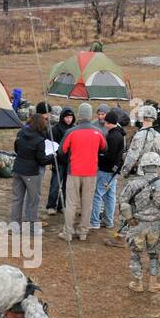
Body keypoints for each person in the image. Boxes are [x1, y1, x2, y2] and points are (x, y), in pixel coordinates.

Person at [119, 152, 160, 293]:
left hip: (137, 224)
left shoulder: (133, 184)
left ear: (143, 166)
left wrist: (128, 219)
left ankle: (137, 282)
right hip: (156, 225)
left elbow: (123, 203)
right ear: (158, 165)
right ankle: (153, 283)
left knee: (136, 254)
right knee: (155, 254)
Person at [60, 103, 107, 242]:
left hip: (74, 171)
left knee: (71, 203)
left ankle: (68, 232)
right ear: (90, 115)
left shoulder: (71, 132)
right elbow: (104, 148)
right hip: (91, 172)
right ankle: (83, 232)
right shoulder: (98, 132)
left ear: (79, 115)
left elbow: (61, 151)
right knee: (87, 202)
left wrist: (69, 158)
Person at [11, 106, 49, 236]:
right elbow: (42, 160)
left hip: (17, 169)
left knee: (17, 199)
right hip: (31, 173)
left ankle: (14, 227)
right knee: (33, 200)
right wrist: (53, 157)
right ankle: (32, 228)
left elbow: (16, 148)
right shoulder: (40, 140)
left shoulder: (21, 133)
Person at [90, 110, 125, 233]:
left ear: (109, 123)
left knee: (97, 195)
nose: (104, 124)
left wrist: (98, 156)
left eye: (106, 122)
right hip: (113, 171)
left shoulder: (112, 137)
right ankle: (108, 220)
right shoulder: (120, 134)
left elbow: (109, 156)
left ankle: (94, 222)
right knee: (110, 196)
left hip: (106, 170)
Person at [45, 107, 75, 216]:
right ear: (62, 117)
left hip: (70, 163)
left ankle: (62, 206)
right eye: (66, 117)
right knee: (55, 185)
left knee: (67, 186)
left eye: (70, 117)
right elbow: (49, 144)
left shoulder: (74, 129)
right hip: (58, 162)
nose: (68, 119)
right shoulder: (55, 129)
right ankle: (51, 205)